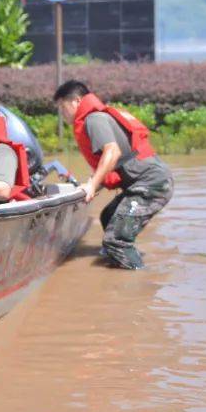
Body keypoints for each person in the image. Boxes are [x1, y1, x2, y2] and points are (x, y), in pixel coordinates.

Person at [53, 80, 174, 270]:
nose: (62, 113)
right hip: (144, 181)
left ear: (76, 101)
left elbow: (112, 153)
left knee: (115, 241)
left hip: (152, 184)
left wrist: (92, 185)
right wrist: (90, 186)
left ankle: (139, 280)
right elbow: (113, 166)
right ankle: (115, 260)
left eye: (62, 107)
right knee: (108, 215)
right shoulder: (95, 118)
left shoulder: (94, 119)